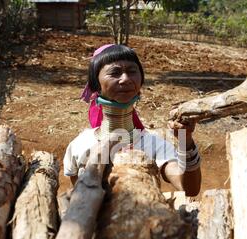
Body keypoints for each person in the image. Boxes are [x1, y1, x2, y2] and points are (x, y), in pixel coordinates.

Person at [63, 44, 201, 196]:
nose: (126, 79)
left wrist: (185, 139)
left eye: (132, 71)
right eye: (115, 72)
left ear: (141, 81)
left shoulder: (154, 144)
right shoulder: (79, 146)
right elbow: (80, 198)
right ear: (96, 84)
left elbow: (190, 189)